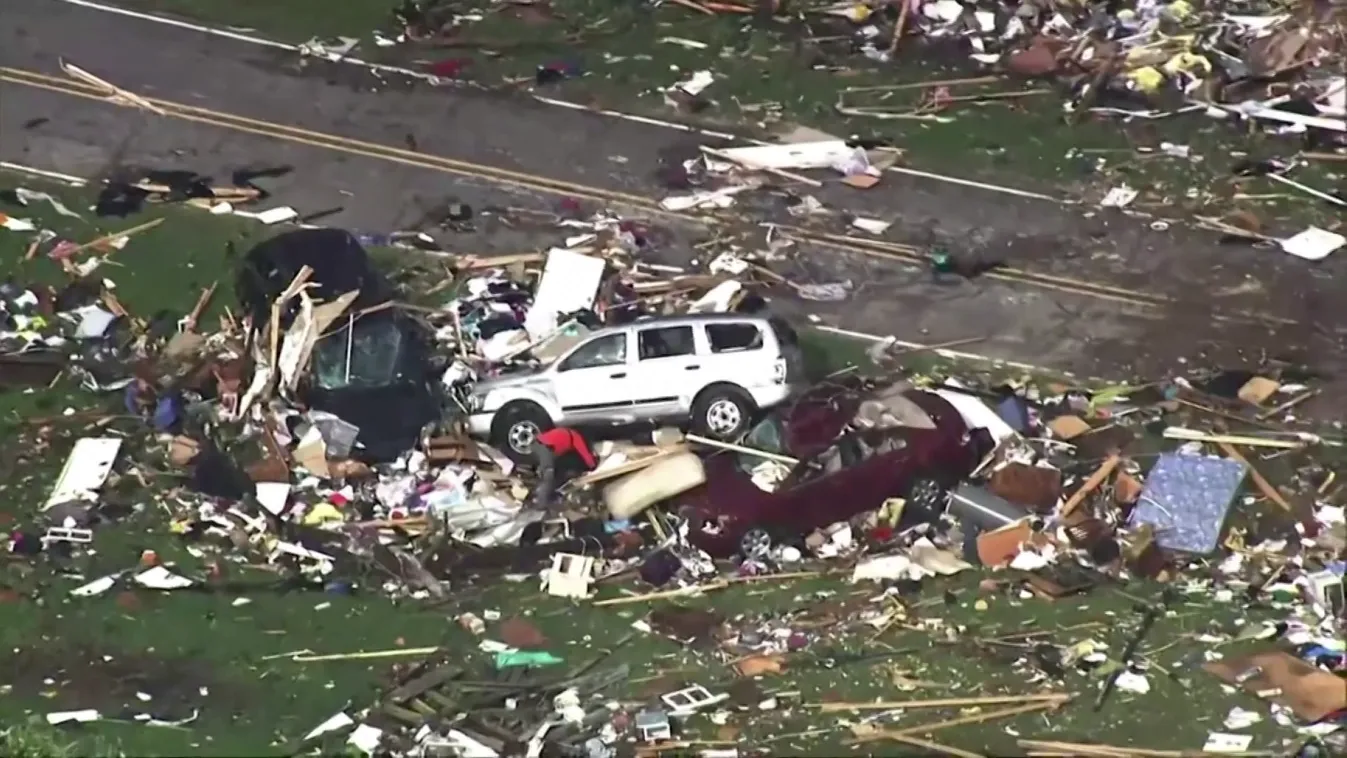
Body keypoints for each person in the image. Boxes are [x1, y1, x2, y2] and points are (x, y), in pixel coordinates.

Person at [531, 427, 597, 509]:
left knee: (549, 472)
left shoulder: (566, 431)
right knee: (549, 476)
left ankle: (545, 494)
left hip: (538, 444)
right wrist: (592, 466)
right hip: (546, 449)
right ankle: (542, 503)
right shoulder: (576, 438)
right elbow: (585, 453)